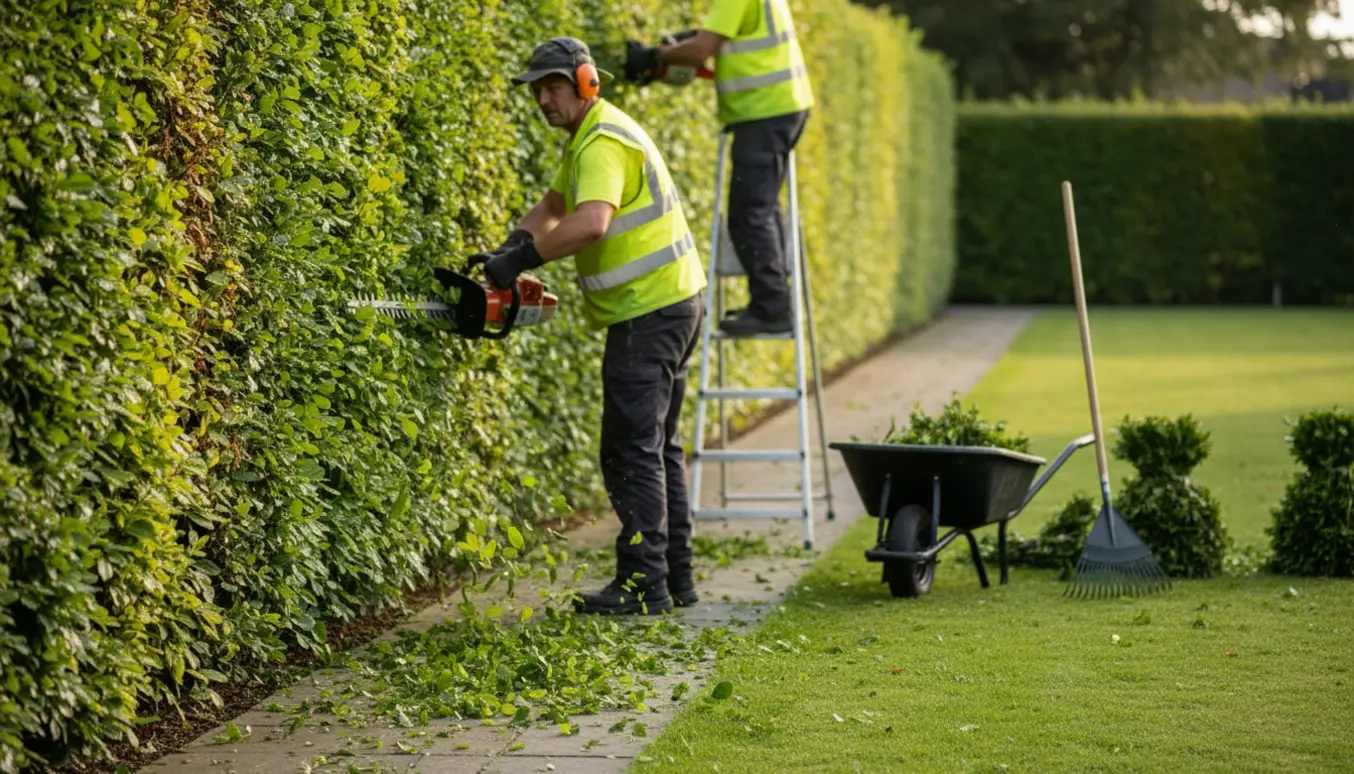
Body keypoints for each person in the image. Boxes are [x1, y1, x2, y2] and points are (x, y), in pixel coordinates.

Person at [474, 37, 707, 616]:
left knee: (630, 451)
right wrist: (511, 246)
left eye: (554, 87)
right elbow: (554, 206)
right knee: (657, 448)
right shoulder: (592, 135)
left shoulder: (600, 141)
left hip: (647, 312)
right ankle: (675, 577)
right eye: (538, 90)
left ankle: (643, 584)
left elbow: (590, 224)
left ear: (585, 83)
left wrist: (526, 262)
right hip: (674, 303)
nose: (544, 99)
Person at [624, 0, 814, 337]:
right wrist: (678, 49)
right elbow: (717, 42)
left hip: (763, 112)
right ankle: (774, 303)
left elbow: (701, 50)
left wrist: (656, 57)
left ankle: (772, 309)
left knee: (749, 215)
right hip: (780, 108)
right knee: (764, 210)